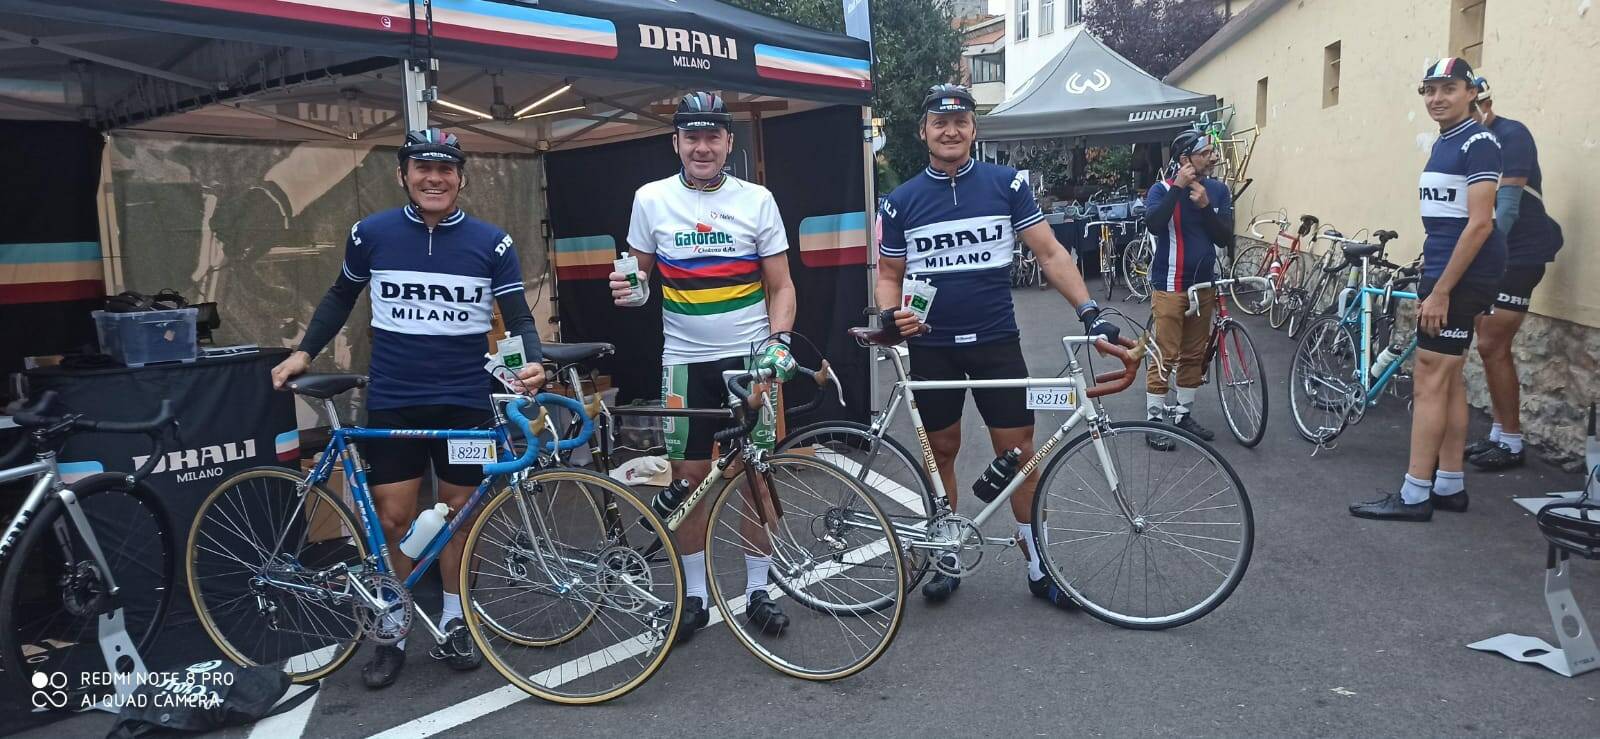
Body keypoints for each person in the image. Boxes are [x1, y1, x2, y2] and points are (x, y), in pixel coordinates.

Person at [270, 128, 547, 687]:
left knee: (457, 517)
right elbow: (339, 296)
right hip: (395, 398)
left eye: (445, 169)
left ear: (460, 178)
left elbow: (517, 316)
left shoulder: (491, 243)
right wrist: (304, 352)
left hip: (465, 401)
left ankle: (453, 621)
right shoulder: (370, 234)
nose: (434, 177)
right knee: (394, 519)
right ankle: (393, 626)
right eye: (422, 168)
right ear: (403, 175)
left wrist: (532, 361)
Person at [875, 83, 1120, 609]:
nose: (950, 130)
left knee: (1019, 454)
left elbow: (1051, 253)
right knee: (942, 450)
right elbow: (889, 272)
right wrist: (890, 315)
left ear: (973, 129)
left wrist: (1089, 311)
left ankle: (1039, 565)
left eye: (960, 121)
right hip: (933, 346)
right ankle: (945, 554)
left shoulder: (1006, 185)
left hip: (995, 340)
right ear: (924, 132)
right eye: (939, 122)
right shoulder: (900, 202)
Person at [608, 92, 799, 643]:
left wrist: (778, 342)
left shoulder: (757, 199)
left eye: (712, 136)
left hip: (748, 360)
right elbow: (639, 282)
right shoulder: (651, 200)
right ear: (676, 143)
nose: (702, 146)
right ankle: (695, 597)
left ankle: (759, 589)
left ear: (728, 143)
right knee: (689, 482)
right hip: (685, 364)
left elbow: (782, 285)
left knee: (758, 476)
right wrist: (629, 291)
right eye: (691, 136)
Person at [1351, 58, 1505, 521]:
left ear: (1471, 91)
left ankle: (1415, 493)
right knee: (1448, 377)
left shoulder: (1478, 141)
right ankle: (1449, 484)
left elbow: (1479, 224)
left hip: (1462, 274)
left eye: (1449, 88)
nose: (1436, 98)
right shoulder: (1449, 140)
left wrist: (1440, 290)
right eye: (1429, 89)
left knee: (1430, 376)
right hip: (1448, 269)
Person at [1463, 75, 1565, 471]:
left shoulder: (1511, 134)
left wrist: (1478, 256)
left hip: (1519, 252)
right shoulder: (1473, 143)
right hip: (1493, 252)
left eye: (1473, 113)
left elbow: (1506, 208)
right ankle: (1499, 433)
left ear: (1483, 105)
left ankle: (1512, 441)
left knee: (1492, 343)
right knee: (1488, 345)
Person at [1141, 129, 1234, 449]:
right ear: (1185, 159)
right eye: (1205, 152)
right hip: (1169, 286)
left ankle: (1182, 414)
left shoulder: (1218, 191)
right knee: (1165, 353)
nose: (1213, 156)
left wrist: (1206, 207)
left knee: (1193, 354)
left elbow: (1224, 238)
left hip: (1203, 285)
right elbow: (1154, 223)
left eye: (1212, 151)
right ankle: (1154, 418)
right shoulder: (1160, 189)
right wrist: (1178, 189)